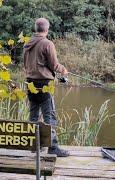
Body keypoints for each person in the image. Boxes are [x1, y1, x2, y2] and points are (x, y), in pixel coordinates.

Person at [23, 18, 70, 157]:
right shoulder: (47, 43)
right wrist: (64, 70)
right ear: (47, 29)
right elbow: (54, 65)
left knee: (33, 115)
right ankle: (53, 147)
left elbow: (26, 65)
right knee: (50, 117)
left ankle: (34, 146)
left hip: (30, 83)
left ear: (36, 29)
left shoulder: (27, 44)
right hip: (44, 85)